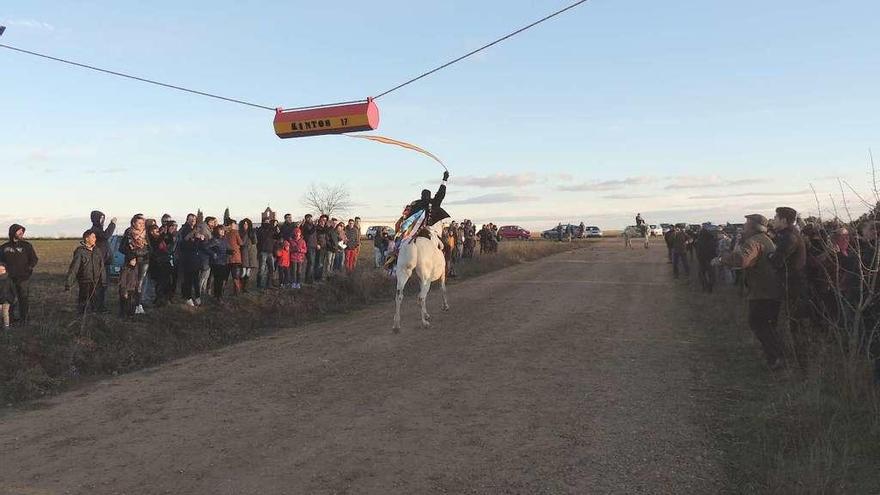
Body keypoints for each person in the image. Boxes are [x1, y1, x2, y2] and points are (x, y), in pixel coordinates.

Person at [718, 214, 785, 370]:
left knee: (758, 323)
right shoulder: (766, 239)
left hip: (763, 291)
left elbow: (741, 260)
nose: (743, 226)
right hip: (770, 290)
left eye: (746, 224)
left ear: (754, 226)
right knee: (767, 325)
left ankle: (776, 359)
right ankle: (776, 357)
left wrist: (722, 260)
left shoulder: (754, 242)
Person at [384, 171, 451, 269]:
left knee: (399, 245)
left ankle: (393, 262)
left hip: (412, 231)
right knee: (447, 247)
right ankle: (445, 268)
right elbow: (441, 194)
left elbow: (407, 217)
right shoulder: (433, 202)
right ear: (430, 196)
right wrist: (444, 180)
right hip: (429, 230)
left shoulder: (415, 203)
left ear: (421, 196)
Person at [769, 206, 808, 361]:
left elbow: (777, 260)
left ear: (784, 220)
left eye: (775, 217)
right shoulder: (786, 235)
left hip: (794, 287)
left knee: (796, 326)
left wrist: (770, 255)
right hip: (791, 285)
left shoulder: (789, 237)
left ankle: (802, 366)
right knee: (794, 325)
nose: (773, 220)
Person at [0, 224, 38, 324]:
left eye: (22, 231)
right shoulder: (4, 247)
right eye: (19, 231)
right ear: (12, 232)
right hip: (8, 279)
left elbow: (34, 259)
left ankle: (24, 320)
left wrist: (28, 269)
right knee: (9, 299)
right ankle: (10, 320)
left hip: (23, 278)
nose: (21, 233)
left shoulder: (27, 246)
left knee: (23, 299)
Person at [65, 230, 107, 315]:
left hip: (96, 282)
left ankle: (95, 318)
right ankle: (81, 318)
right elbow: (74, 268)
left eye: (95, 237)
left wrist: (103, 281)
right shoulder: (80, 251)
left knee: (96, 302)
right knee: (83, 302)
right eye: (93, 237)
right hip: (84, 281)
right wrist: (69, 283)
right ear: (87, 238)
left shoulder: (97, 251)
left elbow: (102, 266)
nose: (95, 239)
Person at [119, 215, 150, 316]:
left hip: (144, 261)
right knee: (129, 285)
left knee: (140, 284)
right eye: (139, 223)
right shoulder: (128, 233)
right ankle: (127, 307)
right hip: (132, 262)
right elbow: (122, 248)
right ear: (133, 223)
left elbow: (149, 247)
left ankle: (138, 304)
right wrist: (131, 256)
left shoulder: (146, 234)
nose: (141, 225)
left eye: (143, 223)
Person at [87, 210, 116, 312]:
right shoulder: (95, 230)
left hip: (104, 262)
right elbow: (106, 235)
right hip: (99, 263)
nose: (102, 220)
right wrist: (112, 224)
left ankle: (100, 306)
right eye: (101, 218)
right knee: (99, 286)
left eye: (103, 218)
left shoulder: (99, 230)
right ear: (95, 219)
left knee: (103, 286)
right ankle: (96, 307)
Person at [147, 223, 174, 307]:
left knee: (166, 282)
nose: (157, 231)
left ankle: (166, 298)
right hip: (157, 263)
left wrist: (166, 234)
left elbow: (168, 242)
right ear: (151, 232)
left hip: (165, 262)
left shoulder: (160, 238)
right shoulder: (151, 239)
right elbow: (155, 247)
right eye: (155, 230)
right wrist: (162, 234)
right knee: (159, 283)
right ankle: (158, 299)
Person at [205, 225, 231, 299]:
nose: (223, 231)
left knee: (222, 279)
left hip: (224, 261)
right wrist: (213, 253)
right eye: (220, 230)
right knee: (218, 280)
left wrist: (230, 251)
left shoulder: (224, 240)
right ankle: (217, 296)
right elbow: (206, 247)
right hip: (216, 262)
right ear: (217, 231)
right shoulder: (214, 240)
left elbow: (226, 248)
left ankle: (218, 295)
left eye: (223, 230)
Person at [257, 217, 279, 288]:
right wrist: (272, 228)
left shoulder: (271, 229)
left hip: (270, 252)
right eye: (266, 221)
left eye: (268, 221)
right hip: (263, 251)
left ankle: (269, 284)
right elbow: (263, 237)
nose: (267, 223)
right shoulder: (260, 229)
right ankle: (260, 284)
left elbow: (276, 237)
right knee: (262, 269)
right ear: (263, 222)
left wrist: (278, 232)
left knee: (271, 268)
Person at [695, 225, 718, 293]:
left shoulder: (700, 240)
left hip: (702, 260)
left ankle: (705, 286)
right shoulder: (712, 239)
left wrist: (698, 258)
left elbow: (698, 251)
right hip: (710, 259)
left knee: (701, 274)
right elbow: (714, 250)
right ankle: (710, 286)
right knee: (711, 274)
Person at [238, 218, 258, 292]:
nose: (245, 225)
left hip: (251, 254)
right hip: (243, 253)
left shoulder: (251, 232)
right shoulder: (240, 232)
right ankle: (239, 287)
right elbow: (241, 243)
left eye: (247, 224)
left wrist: (253, 234)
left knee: (248, 272)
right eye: (244, 224)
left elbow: (255, 242)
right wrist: (245, 234)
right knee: (243, 272)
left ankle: (244, 288)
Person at [225, 219, 243, 295]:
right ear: (231, 225)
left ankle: (222, 291)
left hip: (226, 257)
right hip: (235, 257)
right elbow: (241, 243)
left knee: (225, 275)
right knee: (235, 276)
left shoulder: (224, 232)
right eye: (234, 224)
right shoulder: (235, 232)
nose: (235, 225)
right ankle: (237, 291)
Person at [301, 214, 318, 284]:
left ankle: (310, 279)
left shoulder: (312, 226)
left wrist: (316, 244)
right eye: (308, 218)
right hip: (308, 246)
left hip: (313, 245)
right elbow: (310, 232)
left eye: (311, 218)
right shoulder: (305, 226)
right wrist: (315, 225)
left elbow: (314, 236)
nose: (310, 219)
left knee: (312, 263)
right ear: (306, 219)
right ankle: (307, 279)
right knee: (310, 262)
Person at [0, 263, 14, 329]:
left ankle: (6, 326)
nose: (1, 271)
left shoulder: (9, 279)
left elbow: (13, 290)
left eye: (2, 269)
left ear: (5, 270)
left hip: (6, 299)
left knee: (5, 313)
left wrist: (13, 298)